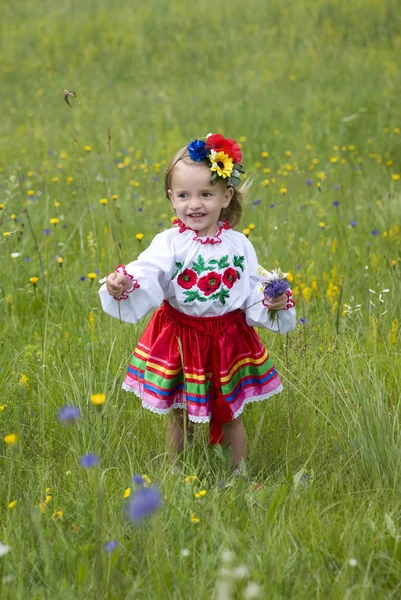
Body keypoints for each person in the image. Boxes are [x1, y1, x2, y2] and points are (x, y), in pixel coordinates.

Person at [99, 134, 296, 470]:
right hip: (180, 337)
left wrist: (270, 300)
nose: (195, 204)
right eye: (184, 195)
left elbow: (250, 287)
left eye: (206, 194)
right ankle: (179, 473)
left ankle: (239, 474)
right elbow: (148, 271)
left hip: (228, 339)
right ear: (171, 198)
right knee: (180, 413)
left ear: (226, 196)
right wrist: (123, 283)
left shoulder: (238, 244)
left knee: (231, 410)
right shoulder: (169, 243)